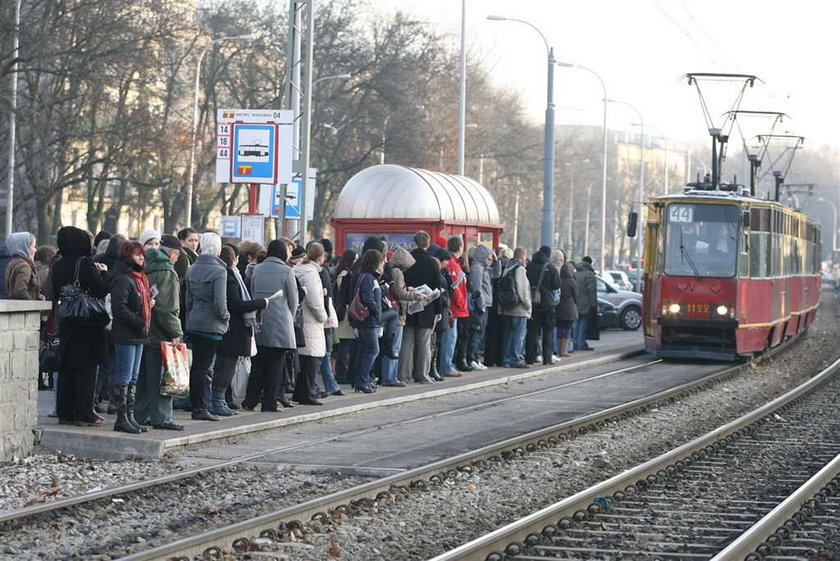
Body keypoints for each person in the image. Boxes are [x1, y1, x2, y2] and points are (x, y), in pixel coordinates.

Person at [52, 226, 111, 426]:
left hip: (67, 321)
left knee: (67, 369)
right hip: (87, 324)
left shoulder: (58, 264)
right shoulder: (86, 263)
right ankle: (83, 412)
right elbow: (100, 290)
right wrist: (104, 274)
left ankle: (65, 412)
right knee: (86, 370)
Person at [211, 246, 269, 416]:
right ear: (234, 258)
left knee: (224, 366)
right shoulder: (229, 276)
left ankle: (218, 400)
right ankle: (217, 400)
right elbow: (236, 304)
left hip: (231, 329)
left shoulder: (229, 274)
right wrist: (259, 303)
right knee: (225, 367)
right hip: (233, 330)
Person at [135, 234, 184, 431]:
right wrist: (175, 332)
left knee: (144, 378)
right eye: (178, 256)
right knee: (164, 375)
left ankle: (140, 414)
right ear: (172, 254)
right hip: (161, 333)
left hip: (143, 329)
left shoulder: (144, 267)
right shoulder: (168, 272)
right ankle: (162, 417)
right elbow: (168, 307)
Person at [245, 240, 298, 412]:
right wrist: (290, 317)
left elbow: (252, 294)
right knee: (276, 365)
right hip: (280, 322)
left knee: (258, 363)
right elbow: (293, 300)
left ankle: (250, 400)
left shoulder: (257, 270)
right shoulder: (287, 271)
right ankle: (269, 402)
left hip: (260, 321)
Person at [109, 241, 154, 434]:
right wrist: (139, 322)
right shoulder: (123, 279)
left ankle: (130, 416)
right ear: (128, 257)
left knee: (134, 377)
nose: (141, 258)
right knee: (125, 376)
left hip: (139, 334)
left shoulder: (141, 278)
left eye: (142, 254)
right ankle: (121, 418)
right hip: (127, 334)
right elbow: (119, 308)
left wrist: (148, 305)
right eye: (137, 255)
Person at [184, 232, 229, 421]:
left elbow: (188, 300)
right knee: (205, 367)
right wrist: (226, 317)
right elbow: (220, 302)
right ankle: (201, 407)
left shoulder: (192, 268)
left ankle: (196, 405)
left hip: (194, 321)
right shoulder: (220, 271)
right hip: (212, 324)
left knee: (197, 367)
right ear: (217, 249)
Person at [398, 231, 443, 384]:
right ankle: (422, 375)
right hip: (427, 307)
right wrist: (438, 310)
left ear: (414, 243)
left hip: (409, 305)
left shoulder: (408, 260)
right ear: (428, 244)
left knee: (407, 341)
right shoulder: (432, 263)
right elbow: (438, 288)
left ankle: (404, 375)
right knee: (424, 342)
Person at [380, 247, 424, 387]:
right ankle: (390, 377)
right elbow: (399, 293)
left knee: (390, 345)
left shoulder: (391, 270)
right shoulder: (397, 272)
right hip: (398, 313)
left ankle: (387, 376)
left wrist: (407, 289)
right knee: (394, 347)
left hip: (393, 311)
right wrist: (415, 296)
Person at [293, 243, 329, 405]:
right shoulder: (311, 274)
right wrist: (323, 316)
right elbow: (314, 301)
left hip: (302, 319)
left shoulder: (300, 269)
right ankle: (306, 394)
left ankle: (300, 393)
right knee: (311, 359)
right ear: (321, 257)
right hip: (310, 321)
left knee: (304, 359)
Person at [307, 240, 343, 398]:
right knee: (323, 353)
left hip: (312, 319)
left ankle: (324, 385)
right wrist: (327, 316)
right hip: (321, 318)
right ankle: (329, 385)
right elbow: (327, 297)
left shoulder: (306, 270)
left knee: (319, 355)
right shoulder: (322, 272)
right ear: (322, 257)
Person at [349, 249, 386, 393]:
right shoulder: (368, 278)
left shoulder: (370, 277)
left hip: (369, 320)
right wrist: (376, 311)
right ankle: (362, 380)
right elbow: (366, 297)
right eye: (381, 262)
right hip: (367, 320)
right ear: (375, 263)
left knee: (367, 350)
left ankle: (362, 380)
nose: (383, 265)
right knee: (372, 349)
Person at [525, 246, 561, 366]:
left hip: (533, 303)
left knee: (532, 332)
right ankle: (547, 359)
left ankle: (530, 358)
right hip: (548, 304)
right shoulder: (550, 267)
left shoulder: (529, 266)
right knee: (548, 332)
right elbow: (556, 285)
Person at [439, 237, 469, 376]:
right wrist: (461, 302)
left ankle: (447, 364)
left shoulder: (455, 263)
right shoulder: (453, 264)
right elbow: (455, 288)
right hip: (455, 307)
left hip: (456, 306)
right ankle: (446, 366)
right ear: (461, 247)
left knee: (452, 337)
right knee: (450, 338)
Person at [465, 245, 497, 370]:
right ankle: (472, 358)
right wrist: (480, 304)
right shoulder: (477, 268)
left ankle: (476, 358)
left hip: (486, 303)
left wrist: (496, 260)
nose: (490, 259)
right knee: (477, 332)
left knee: (480, 333)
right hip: (481, 305)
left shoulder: (485, 268)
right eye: (488, 256)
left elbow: (496, 273)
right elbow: (477, 288)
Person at [500, 247, 532, 368]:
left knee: (508, 335)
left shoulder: (507, 268)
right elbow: (523, 290)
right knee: (518, 335)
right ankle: (515, 359)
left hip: (508, 307)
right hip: (519, 309)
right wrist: (528, 306)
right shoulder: (520, 269)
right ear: (522, 257)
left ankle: (506, 359)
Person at [333, 250, 358, 385]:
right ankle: (341, 373)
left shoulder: (340, 272)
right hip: (346, 310)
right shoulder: (345, 274)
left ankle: (341, 372)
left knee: (345, 344)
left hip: (343, 310)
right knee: (345, 344)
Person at [4, 232, 40, 300]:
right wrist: (33, 303)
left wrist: (37, 296)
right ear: (25, 247)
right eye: (33, 246)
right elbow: (20, 291)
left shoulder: (12, 263)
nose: (36, 250)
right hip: (25, 309)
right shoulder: (24, 266)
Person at [573, 256, 597, 351]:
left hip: (576, 302)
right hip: (586, 303)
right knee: (584, 323)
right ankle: (581, 343)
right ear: (590, 264)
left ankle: (575, 343)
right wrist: (594, 304)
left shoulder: (576, 273)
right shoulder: (590, 275)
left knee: (577, 323)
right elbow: (592, 291)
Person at [556, 259, 578, 358]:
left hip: (559, 308)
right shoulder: (571, 281)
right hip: (569, 308)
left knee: (560, 329)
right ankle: (564, 350)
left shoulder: (559, 279)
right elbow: (576, 296)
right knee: (567, 329)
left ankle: (558, 349)